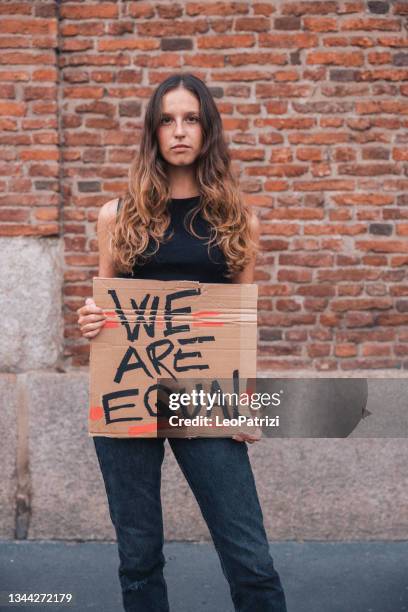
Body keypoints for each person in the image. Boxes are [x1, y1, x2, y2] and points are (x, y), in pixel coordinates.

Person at [77, 73, 288, 612]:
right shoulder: (118, 217)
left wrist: (246, 405)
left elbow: (242, 320)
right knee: (139, 558)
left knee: (250, 557)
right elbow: (105, 302)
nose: (179, 131)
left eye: (191, 118)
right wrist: (90, 317)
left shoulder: (237, 221)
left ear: (207, 129)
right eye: (167, 120)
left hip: (205, 393)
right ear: (153, 132)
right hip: (129, 394)